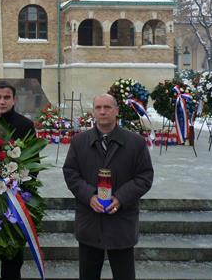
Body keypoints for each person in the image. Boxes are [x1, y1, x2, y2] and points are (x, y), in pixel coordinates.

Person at [62, 93, 154, 280]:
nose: (103, 112)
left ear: (116, 111)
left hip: (121, 220)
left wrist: (121, 198)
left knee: (124, 274)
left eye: (107, 107)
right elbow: (71, 173)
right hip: (90, 218)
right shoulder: (79, 142)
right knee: (88, 275)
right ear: (93, 112)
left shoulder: (135, 142)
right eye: (98, 108)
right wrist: (89, 196)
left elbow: (145, 176)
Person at [0, 80, 36, 280]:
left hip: (14, 199)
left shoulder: (25, 125)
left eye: (7, 97)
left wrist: (16, 184)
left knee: (13, 257)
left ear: (14, 100)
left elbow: (33, 163)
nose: (2, 102)